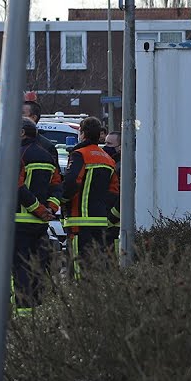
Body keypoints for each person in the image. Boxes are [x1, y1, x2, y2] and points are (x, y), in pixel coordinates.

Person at [13, 117, 62, 316]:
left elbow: (17, 187)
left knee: (20, 268)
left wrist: (38, 209)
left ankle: (22, 313)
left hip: (20, 221)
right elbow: (58, 186)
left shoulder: (18, 154)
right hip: (40, 225)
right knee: (37, 267)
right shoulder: (47, 156)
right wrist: (49, 208)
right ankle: (37, 311)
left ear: (22, 133)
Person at [62, 116, 121, 279]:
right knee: (96, 268)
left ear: (82, 133)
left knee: (77, 268)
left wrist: (62, 200)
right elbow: (114, 191)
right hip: (101, 222)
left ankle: (80, 302)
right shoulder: (108, 159)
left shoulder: (79, 154)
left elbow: (71, 183)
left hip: (78, 222)